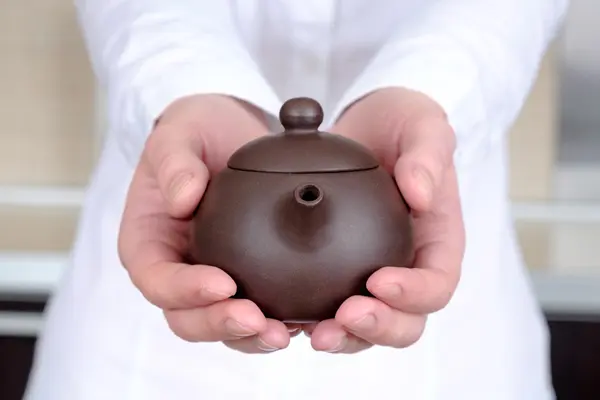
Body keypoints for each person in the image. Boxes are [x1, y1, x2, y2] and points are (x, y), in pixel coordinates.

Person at [24, 1, 568, 399]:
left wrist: (433, 88)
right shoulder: (233, 176)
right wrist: (181, 85)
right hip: (142, 354)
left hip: (455, 361)